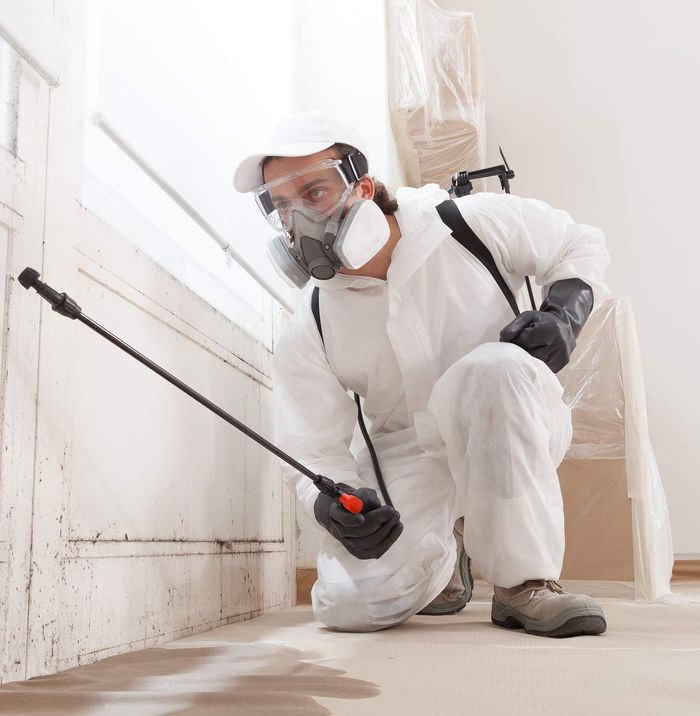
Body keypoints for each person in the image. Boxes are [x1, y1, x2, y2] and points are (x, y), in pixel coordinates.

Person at [233, 110, 611, 637]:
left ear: (361, 187)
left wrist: (563, 313)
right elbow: (313, 441)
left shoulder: (467, 224)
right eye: (281, 207)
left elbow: (579, 242)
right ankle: (446, 552)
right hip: (408, 454)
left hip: (508, 424)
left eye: (314, 193)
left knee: (494, 369)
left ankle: (524, 584)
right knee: (347, 606)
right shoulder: (314, 320)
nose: (299, 220)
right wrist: (330, 500)